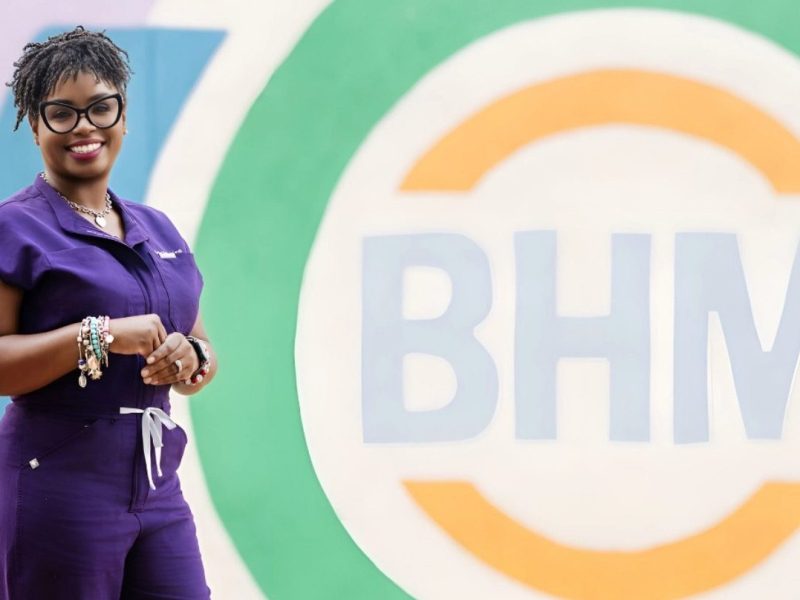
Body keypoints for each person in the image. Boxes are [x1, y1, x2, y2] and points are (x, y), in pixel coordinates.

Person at [0, 26, 215, 599]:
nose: (84, 127)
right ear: (35, 125)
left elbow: (201, 353)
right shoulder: (14, 227)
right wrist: (97, 335)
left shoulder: (158, 228)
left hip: (156, 485)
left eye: (100, 108)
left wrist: (189, 357)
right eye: (61, 114)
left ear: (123, 116)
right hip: (58, 481)